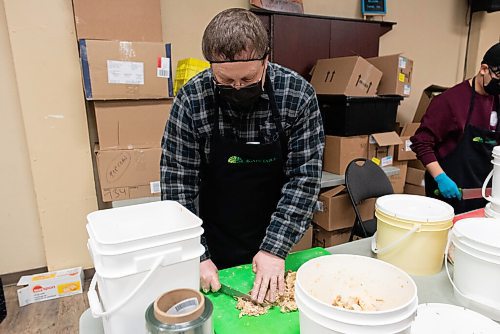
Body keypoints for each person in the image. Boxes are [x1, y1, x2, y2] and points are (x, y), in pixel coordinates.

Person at [160, 8, 324, 303]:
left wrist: (275, 248)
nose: (237, 88)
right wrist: (195, 253)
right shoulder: (192, 99)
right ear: (211, 68)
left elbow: (304, 178)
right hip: (213, 235)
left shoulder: (298, 95)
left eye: (247, 81)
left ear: (266, 61)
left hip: (277, 227)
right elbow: (177, 185)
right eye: (225, 82)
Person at [411, 42, 500, 214]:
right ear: (484, 69)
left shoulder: (497, 100)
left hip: (484, 195)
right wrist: (441, 178)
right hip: (450, 195)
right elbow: (421, 142)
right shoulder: (450, 101)